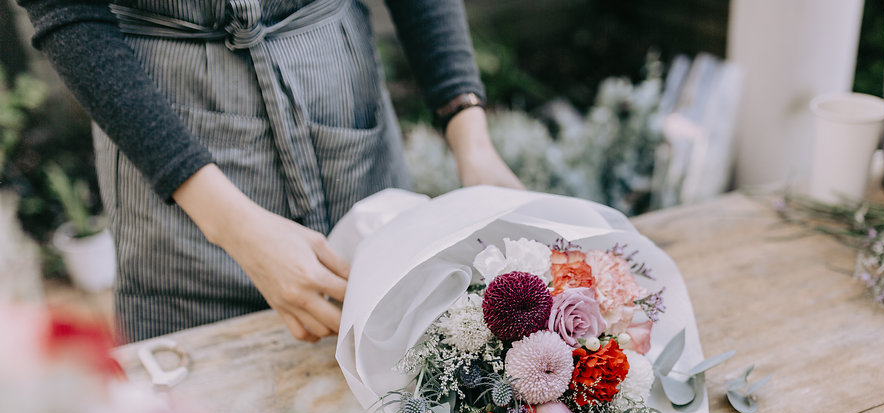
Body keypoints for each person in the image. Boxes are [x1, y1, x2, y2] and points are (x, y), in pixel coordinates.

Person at [18, 0, 522, 343]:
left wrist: (469, 134)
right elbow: (65, 8)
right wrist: (232, 227)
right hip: (170, 149)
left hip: (345, 114)